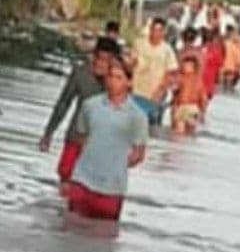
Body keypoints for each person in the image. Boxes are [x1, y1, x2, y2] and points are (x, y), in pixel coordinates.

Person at [64, 57, 149, 222]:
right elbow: (81, 137)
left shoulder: (137, 116)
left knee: (104, 237)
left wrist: (115, 162)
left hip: (112, 188)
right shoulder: (90, 106)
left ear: (129, 83)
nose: (113, 82)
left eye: (119, 78)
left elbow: (139, 154)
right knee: (71, 230)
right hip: (82, 181)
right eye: (110, 76)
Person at [39, 37, 122, 193]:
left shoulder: (118, 80)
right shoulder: (80, 74)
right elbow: (63, 104)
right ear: (93, 56)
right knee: (66, 181)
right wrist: (48, 133)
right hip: (76, 137)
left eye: (106, 61)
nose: (100, 64)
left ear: (114, 62)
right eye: (98, 58)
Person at [130, 17, 178, 126]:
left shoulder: (167, 50)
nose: (155, 33)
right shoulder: (139, 43)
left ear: (163, 32)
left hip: (155, 93)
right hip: (137, 90)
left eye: (159, 30)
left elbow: (170, 73)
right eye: (153, 29)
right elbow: (132, 63)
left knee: (151, 124)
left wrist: (160, 92)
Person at [171, 57, 207, 135]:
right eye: (185, 65)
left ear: (193, 67)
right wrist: (203, 112)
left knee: (179, 133)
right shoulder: (199, 81)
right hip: (193, 108)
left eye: (187, 66)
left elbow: (174, 91)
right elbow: (203, 98)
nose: (185, 67)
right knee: (190, 132)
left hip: (184, 106)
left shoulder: (181, 78)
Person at [200, 29, 225, 100]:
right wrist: (219, 83)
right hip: (209, 84)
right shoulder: (216, 52)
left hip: (197, 84)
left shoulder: (197, 50)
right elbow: (220, 70)